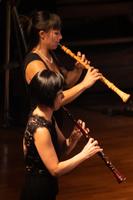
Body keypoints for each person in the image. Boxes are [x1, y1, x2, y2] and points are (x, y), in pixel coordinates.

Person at [20, 69, 103, 200]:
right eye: (60, 94)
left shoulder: (49, 118)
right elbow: (55, 169)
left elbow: (63, 150)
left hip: (48, 188)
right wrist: (84, 154)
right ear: (49, 97)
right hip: (37, 191)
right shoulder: (40, 129)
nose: (63, 97)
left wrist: (74, 137)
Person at [22, 10, 102, 105]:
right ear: (42, 34)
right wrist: (84, 84)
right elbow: (54, 100)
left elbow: (66, 83)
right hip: (41, 119)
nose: (60, 37)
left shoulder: (50, 56)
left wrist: (78, 70)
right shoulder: (34, 63)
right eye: (56, 33)